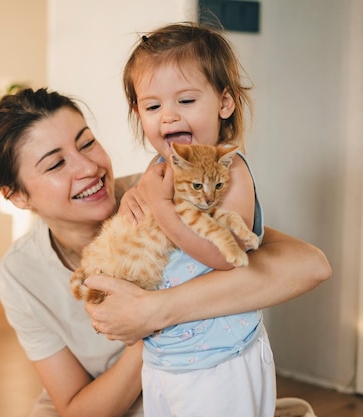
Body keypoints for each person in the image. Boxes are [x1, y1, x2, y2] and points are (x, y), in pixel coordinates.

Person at [0, 87, 330, 417]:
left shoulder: (161, 188)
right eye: (56, 164)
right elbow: (78, 409)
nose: (88, 168)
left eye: (87, 143)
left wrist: (154, 312)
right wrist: (144, 330)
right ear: (17, 196)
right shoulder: (20, 274)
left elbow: (311, 265)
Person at [83, 21, 274, 417]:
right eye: (153, 107)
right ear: (138, 112)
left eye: (186, 101)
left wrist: (163, 208)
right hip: (164, 358)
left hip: (220, 361)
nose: (167, 117)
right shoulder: (160, 166)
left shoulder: (231, 172)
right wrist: (137, 200)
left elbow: (227, 256)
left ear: (224, 103)